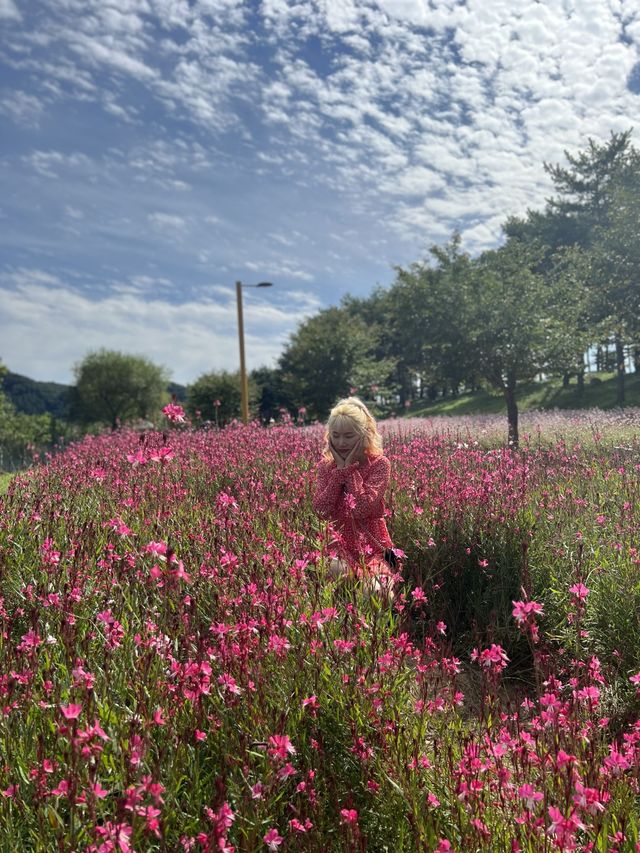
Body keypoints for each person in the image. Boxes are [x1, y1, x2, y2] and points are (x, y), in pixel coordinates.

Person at [312, 397, 397, 600]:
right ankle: (345, 625)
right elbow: (321, 510)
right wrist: (339, 473)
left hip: (373, 547)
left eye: (349, 436)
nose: (341, 443)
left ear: (363, 434)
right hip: (338, 545)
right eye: (336, 436)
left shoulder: (380, 464)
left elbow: (361, 509)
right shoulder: (326, 467)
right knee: (336, 573)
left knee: (376, 593)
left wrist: (349, 471)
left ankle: (379, 630)